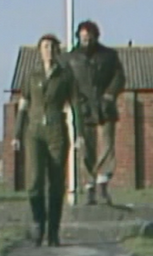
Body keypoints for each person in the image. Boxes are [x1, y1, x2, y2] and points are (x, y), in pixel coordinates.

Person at [12, 34, 82, 247]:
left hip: (56, 130)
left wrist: (79, 134)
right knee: (34, 182)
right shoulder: (31, 75)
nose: (48, 50)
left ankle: (53, 231)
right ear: (39, 50)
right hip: (34, 131)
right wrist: (16, 134)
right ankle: (38, 223)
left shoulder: (65, 76)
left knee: (56, 182)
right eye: (45, 46)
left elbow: (76, 106)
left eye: (52, 46)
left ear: (57, 50)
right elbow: (23, 105)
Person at [64, 20, 126, 205]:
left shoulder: (109, 56)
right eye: (83, 37)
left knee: (107, 146)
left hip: (105, 108)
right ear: (78, 37)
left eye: (90, 37)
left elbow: (119, 77)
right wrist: (73, 99)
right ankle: (89, 186)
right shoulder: (70, 59)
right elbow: (67, 82)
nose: (87, 41)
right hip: (83, 109)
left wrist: (109, 95)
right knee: (85, 148)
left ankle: (103, 183)